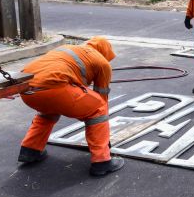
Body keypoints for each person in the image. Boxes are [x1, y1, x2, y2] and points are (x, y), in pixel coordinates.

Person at [17, 36, 125, 177]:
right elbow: (101, 97)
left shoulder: (69, 48)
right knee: (99, 109)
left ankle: (30, 150)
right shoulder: (103, 63)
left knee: (48, 112)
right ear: (105, 52)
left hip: (26, 91)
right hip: (55, 89)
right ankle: (102, 161)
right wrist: (104, 138)